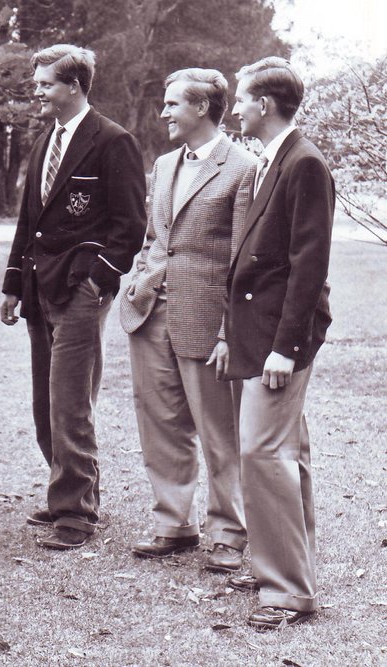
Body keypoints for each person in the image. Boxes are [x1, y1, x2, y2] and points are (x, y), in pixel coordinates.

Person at [0, 44, 145, 550]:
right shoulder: (45, 141)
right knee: (46, 402)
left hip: (81, 290)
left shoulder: (113, 141)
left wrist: (98, 281)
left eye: (44, 84)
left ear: (74, 86)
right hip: (40, 287)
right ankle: (67, 489)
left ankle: (76, 513)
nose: (36, 91)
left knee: (69, 401)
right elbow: (28, 223)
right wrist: (12, 285)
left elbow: (130, 225)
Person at [119, 68, 254, 572]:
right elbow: (156, 238)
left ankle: (228, 532)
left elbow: (243, 259)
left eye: (173, 103)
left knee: (219, 431)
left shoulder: (242, 167)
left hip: (206, 320)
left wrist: (228, 332)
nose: (164, 113)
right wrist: (138, 279)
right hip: (149, 314)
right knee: (160, 425)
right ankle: (174, 524)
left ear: (202, 108)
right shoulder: (164, 163)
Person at [223, 57, 333, 631]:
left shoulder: (304, 162)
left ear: (264, 105)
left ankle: (288, 591)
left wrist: (285, 348)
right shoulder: (274, 160)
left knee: (263, 454)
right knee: (286, 454)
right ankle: (288, 565)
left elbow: (307, 265)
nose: (233, 108)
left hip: (280, 339)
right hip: (257, 332)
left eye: (240, 99)